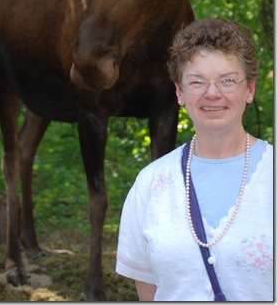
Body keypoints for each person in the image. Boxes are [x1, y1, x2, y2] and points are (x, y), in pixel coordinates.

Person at [115, 18, 273, 301]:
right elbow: (149, 294)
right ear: (179, 92)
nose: (212, 93)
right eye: (197, 81)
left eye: (227, 80)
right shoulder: (150, 184)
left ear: (249, 90)